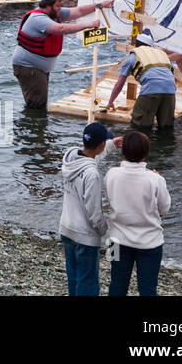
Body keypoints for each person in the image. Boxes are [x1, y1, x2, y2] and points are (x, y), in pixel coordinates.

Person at [12, 0, 114, 109]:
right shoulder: (38, 18)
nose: (60, 8)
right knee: (37, 105)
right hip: (29, 67)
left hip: (37, 68)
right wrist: (88, 25)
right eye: (58, 6)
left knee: (38, 102)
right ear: (48, 6)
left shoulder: (54, 13)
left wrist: (99, 5)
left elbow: (78, 11)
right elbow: (60, 29)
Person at [104, 131, 169, 296]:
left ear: (123, 152)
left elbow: (109, 198)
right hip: (150, 242)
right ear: (146, 152)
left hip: (116, 239)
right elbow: (164, 209)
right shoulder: (155, 180)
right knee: (147, 288)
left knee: (117, 284)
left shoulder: (111, 174)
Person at [59, 122, 119, 295]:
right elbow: (93, 213)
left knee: (74, 276)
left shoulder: (70, 158)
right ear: (100, 145)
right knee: (88, 281)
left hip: (66, 228)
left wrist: (112, 145)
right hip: (84, 236)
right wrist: (103, 230)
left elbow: (92, 158)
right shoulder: (92, 175)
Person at [105, 30, 182, 133]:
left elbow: (120, 83)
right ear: (151, 46)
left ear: (136, 44)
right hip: (170, 91)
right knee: (166, 129)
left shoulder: (133, 56)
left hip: (151, 91)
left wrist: (110, 102)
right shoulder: (161, 54)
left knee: (139, 128)